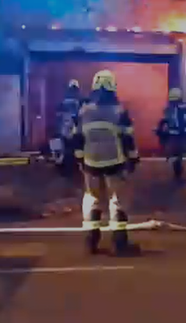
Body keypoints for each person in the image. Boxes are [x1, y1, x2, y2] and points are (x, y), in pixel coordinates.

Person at [74, 70, 141, 256]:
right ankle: (120, 243)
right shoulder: (119, 111)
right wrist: (133, 158)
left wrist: (80, 159)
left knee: (92, 198)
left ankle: (91, 241)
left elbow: (76, 138)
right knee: (117, 200)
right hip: (115, 161)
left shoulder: (84, 111)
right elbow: (128, 138)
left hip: (91, 162)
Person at [155, 87, 186, 185]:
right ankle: (177, 170)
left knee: (175, 154)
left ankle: (176, 169)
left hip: (175, 136)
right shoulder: (185, 108)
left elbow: (164, 122)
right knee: (177, 154)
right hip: (181, 136)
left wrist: (160, 130)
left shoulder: (169, 109)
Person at [50, 79, 86, 178]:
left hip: (64, 129)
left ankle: (60, 161)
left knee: (61, 145)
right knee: (77, 146)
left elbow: (58, 115)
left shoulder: (63, 100)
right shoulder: (80, 100)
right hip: (74, 128)